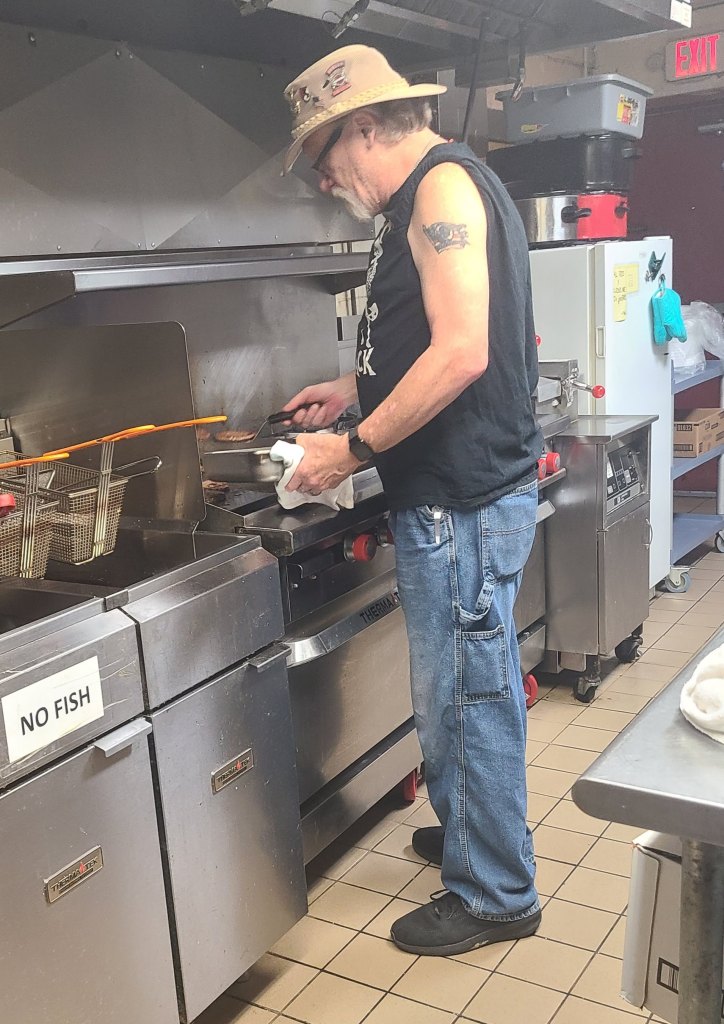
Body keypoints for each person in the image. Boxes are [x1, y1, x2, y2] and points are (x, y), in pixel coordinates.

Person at [280, 44, 544, 957]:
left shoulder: (439, 191)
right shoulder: (429, 196)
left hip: (461, 503)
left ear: (363, 127)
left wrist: (351, 449)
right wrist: (352, 389)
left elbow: (462, 351)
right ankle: (478, 835)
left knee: (466, 697)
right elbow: (424, 338)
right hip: (456, 499)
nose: (324, 180)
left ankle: (496, 895)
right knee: (462, 689)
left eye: (324, 158)